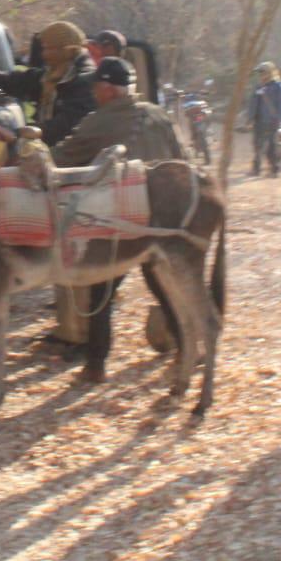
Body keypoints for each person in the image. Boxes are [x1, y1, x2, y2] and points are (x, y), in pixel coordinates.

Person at [49, 56, 185, 383]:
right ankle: (185, 348)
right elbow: (182, 161)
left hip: (122, 221)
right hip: (164, 219)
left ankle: (95, 365)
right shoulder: (159, 114)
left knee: (102, 292)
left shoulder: (100, 120)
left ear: (108, 89)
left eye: (97, 87)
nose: (94, 93)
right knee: (162, 285)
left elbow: (61, 157)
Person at [0, 20, 100, 351]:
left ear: (67, 49)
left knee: (75, 252)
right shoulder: (57, 73)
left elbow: (65, 126)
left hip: (78, 174)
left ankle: (79, 335)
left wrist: (24, 134)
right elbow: (27, 80)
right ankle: (67, 330)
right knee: (61, 251)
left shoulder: (83, 80)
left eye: (50, 49)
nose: (45, 55)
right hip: (58, 170)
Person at [248, 61, 281, 177]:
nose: (261, 75)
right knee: (257, 145)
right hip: (259, 121)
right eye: (260, 72)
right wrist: (250, 118)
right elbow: (253, 103)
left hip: (272, 121)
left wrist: (278, 119)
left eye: (262, 72)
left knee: (272, 146)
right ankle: (256, 169)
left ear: (270, 72)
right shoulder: (259, 87)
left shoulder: (279, 87)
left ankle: (275, 170)